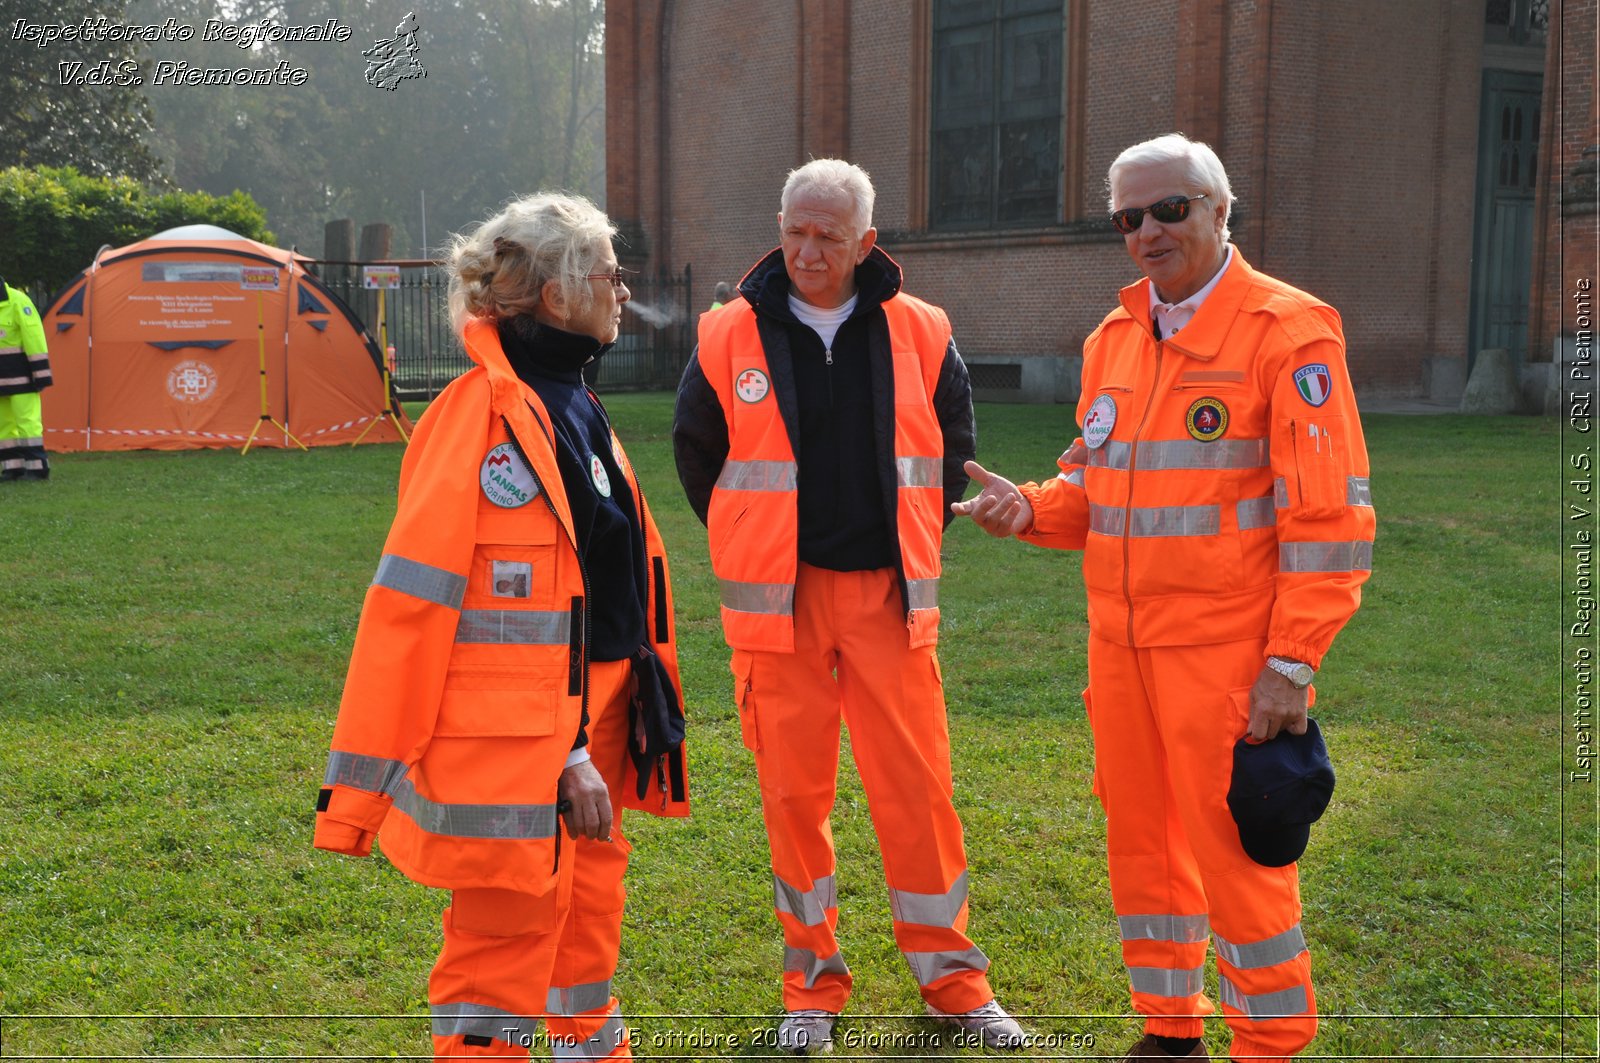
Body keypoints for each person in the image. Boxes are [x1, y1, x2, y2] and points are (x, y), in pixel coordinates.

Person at [953, 133, 1375, 1062]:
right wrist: (1028, 508)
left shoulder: (1288, 331)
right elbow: (1097, 492)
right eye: (1127, 217)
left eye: (1169, 209)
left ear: (1223, 211)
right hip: (1123, 655)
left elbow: (1330, 518)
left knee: (1237, 856)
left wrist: (1292, 662)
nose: (1147, 231)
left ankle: (1268, 1044)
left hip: (1227, 664)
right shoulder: (1115, 339)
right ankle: (1171, 1027)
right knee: (1144, 847)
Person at [313, 192, 689, 1063]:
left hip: (589, 720)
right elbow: (430, 611)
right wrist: (567, 756)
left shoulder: (566, 399)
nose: (625, 289)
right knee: (500, 958)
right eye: (609, 272)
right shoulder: (480, 417)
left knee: (583, 936)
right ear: (557, 295)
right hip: (527, 747)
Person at [673, 158, 1025, 1055]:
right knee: (794, 799)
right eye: (795, 228)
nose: (807, 248)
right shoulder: (726, 333)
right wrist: (752, 539)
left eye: (829, 233)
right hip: (778, 610)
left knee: (918, 794)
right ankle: (811, 985)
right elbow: (696, 455)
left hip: (886, 600)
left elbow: (953, 449)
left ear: (868, 241)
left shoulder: (924, 329)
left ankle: (955, 983)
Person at [0, 280, 53, 480]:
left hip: (22, 378)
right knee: (3, 426)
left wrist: (41, 374)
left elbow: (34, 337)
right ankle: (12, 467)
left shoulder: (18, 300)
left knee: (28, 423)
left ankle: (38, 468)